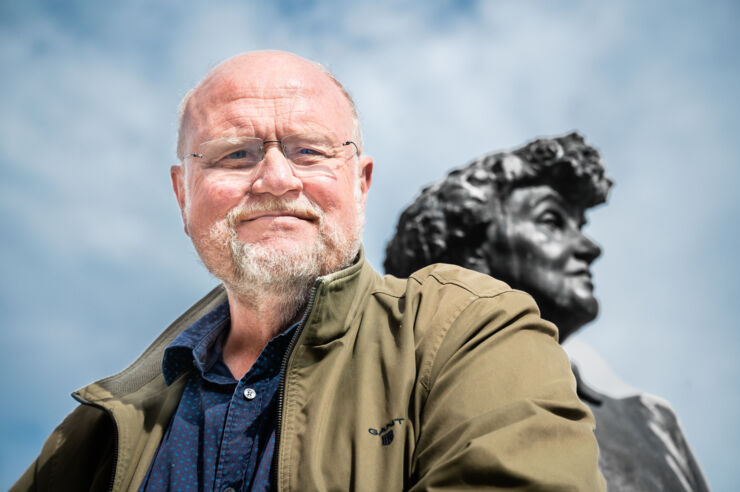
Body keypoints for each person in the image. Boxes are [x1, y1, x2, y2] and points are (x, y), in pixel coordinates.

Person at [14, 52, 604, 491]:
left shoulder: (472, 329)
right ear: (182, 193)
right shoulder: (93, 432)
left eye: (309, 151)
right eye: (234, 154)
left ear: (361, 183)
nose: (275, 180)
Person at [384, 132, 710, 491]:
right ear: (471, 255)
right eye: (551, 221)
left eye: (579, 226)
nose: (590, 247)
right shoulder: (383, 413)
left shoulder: (652, 423)